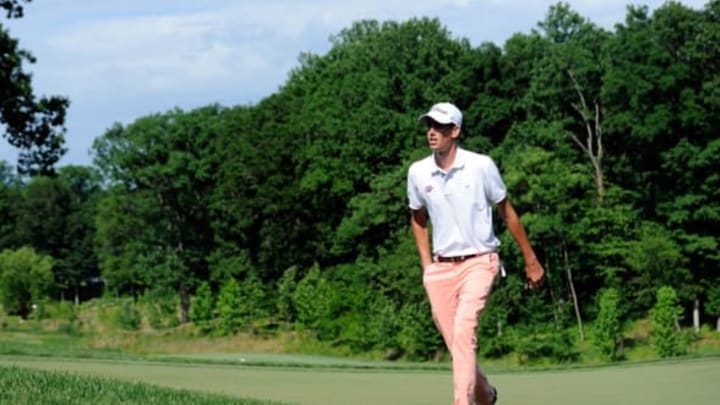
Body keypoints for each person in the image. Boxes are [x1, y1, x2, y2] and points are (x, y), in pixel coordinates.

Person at [407, 102, 545, 405]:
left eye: (440, 127)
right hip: (440, 269)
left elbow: (508, 213)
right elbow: (417, 219)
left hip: (480, 261)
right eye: (429, 126)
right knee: (456, 340)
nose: (432, 132)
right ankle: (485, 394)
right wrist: (427, 266)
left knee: (464, 331)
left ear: (455, 131)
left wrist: (530, 259)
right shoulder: (418, 172)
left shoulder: (481, 165)